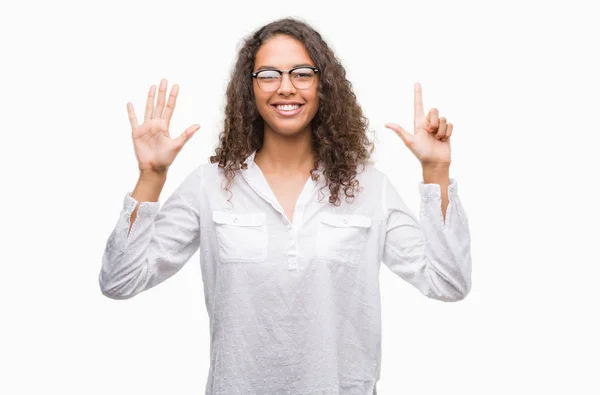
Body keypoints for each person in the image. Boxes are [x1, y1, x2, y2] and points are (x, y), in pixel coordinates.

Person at [99, 17, 472, 395]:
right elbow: (120, 281)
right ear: (250, 88)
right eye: (268, 74)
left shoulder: (370, 188)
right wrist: (151, 176)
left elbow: (448, 283)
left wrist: (436, 169)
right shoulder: (208, 186)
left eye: (302, 73)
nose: (286, 88)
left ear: (322, 85)